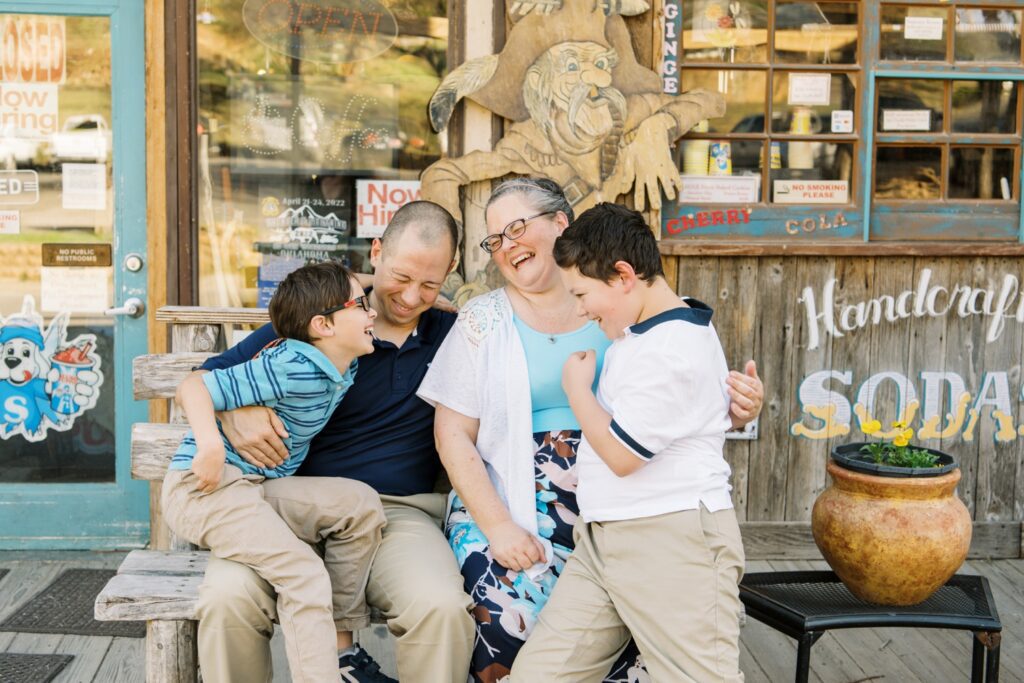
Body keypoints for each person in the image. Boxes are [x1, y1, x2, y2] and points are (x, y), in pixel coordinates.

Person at [416, 178, 761, 683]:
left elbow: (673, 401)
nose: (506, 246)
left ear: (561, 225)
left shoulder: (642, 319)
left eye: (516, 227)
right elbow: (452, 433)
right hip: (564, 513)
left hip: (656, 522)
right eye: (495, 240)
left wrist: (734, 410)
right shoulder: (498, 319)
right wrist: (499, 525)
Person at [184, 201, 477, 683]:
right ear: (376, 252)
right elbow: (206, 378)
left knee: (441, 607)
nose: (410, 296)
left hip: (394, 517)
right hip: (280, 509)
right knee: (226, 598)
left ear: (450, 272)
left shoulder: (455, 335)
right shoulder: (317, 326)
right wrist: (237, 413)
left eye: (430, 284)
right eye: (401, 277)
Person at [511, 202, 744, 682]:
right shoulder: (646, 333)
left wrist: (576, 390)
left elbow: (621, 454)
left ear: (622, 276)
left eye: (582, 292)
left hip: (671, 541)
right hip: (608, 539)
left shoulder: (672, 347)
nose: (579, 308)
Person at [163, 261, 388, 683]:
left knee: (360, 504)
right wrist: (211, 444)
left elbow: (358, 289)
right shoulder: (288, 365)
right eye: (361, 305)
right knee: (303, 573)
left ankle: (340, 648)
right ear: (322, 325)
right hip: (205, 490)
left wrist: (400, 286)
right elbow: (194, 387)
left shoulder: (342, 360)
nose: (372, 311)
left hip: (256, 486)